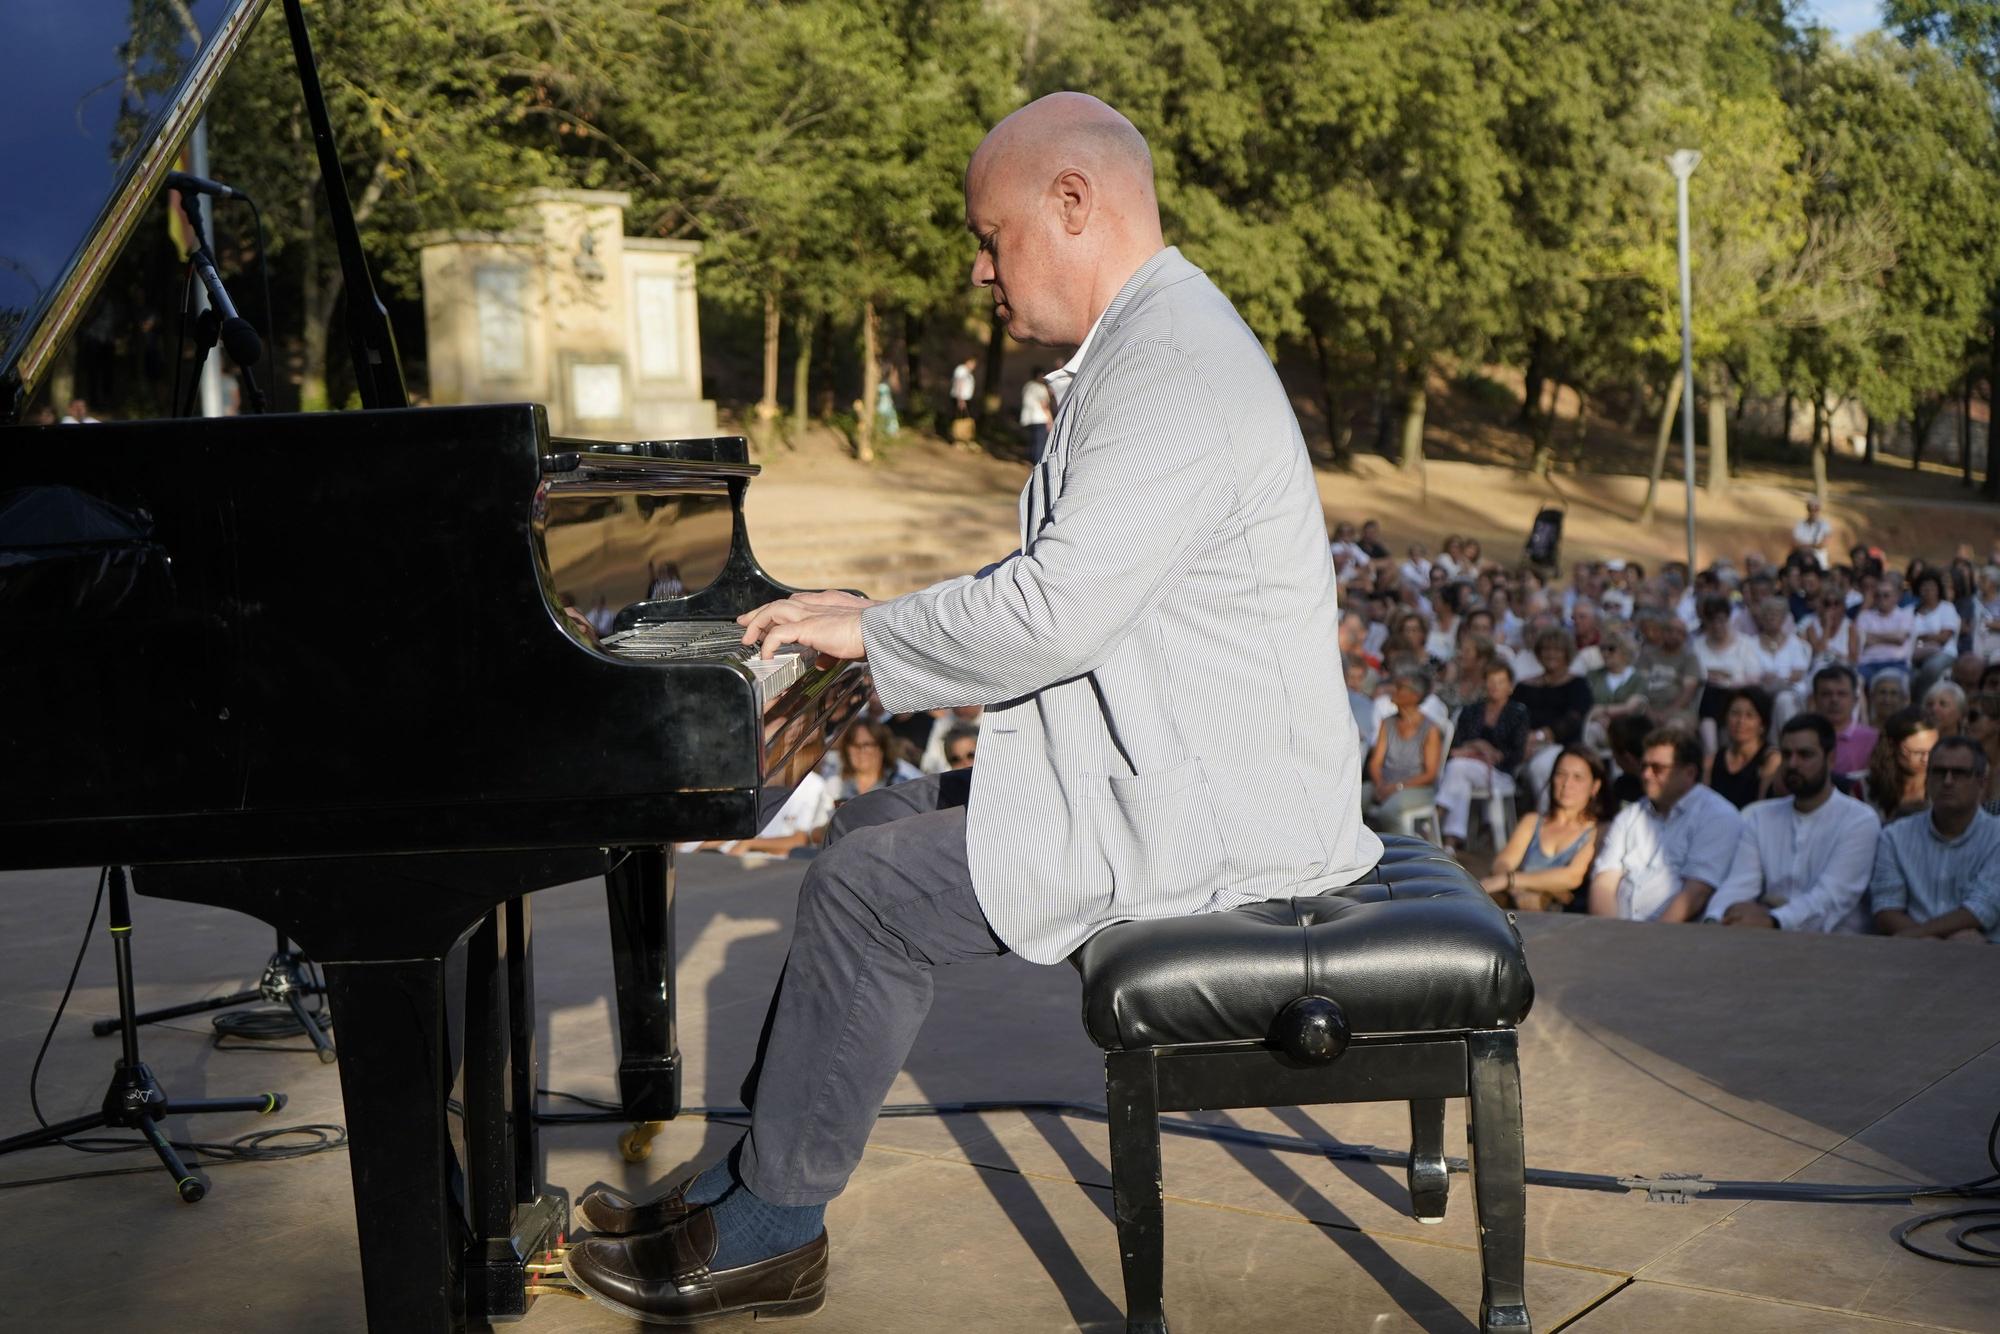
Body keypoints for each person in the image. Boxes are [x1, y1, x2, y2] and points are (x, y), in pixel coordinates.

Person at [559, 92, 1385, 1321]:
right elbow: (1073, 584)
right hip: (1175, 765)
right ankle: (750, 1172)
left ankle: (775, 1229)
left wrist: (873, 632)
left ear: (1071, 203)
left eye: (991, 237)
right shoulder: (1153, 340)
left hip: (1225, 816)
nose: (979, 268)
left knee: (870, 892)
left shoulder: (1168, 367)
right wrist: (873, 606)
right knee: (869, 826)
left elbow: (1053, 613)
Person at [1705, 713, 1880, 932]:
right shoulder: (1760, 817)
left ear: (1831, 759)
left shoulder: (1859, 820)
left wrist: (1772, 920)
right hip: (1766, 940)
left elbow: (1832, 898)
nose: (1793, 764)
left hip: (1837, 949)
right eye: (1786, 754)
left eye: (1805, 755)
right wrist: (1715, 920)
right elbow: (1739, 884)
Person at [1588, 727, 1743, 922]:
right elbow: (1603, 882)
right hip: (1617, 934)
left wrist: (1650, 942)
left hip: (1678, 941)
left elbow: (1696, 895)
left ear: (1689, 772)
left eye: (1657, 768)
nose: (1646, 775)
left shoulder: (1718, 816)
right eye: (1644, 766)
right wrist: (1609, 934)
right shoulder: (1630, 815)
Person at [1869, 737, 2000, 942]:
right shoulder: (1895, 836)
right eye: (1939, 772)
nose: (1947, 781)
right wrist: (1927, 944)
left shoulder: (1996, 836)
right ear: (1927, 778)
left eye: (1959, 773)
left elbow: (1982, 910)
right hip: (1910, 954)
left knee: (1967, 939)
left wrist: (1919, 937)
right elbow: (1886, 908)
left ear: (1981, 783)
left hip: (1980, 957)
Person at [1479, 747, 1607, 913]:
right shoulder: (1532, 822)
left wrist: (1509, 880)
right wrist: (1517, 891)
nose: (1567, 784)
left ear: (1595, 786)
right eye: (1561, 774)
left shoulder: (1596, 830)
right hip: (1519, 907)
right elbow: (1503, 863)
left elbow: (1573, 876)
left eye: (1578, 777)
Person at [1437, 661, 1529, 848]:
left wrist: (1493, 754)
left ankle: (1438, 812)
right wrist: (1479, 745)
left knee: (1457, 768)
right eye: (1491, 681)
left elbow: (1517, 753)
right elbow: (1457, 745)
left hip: (1500, 772)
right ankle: (1449, 844)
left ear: (1510, 686)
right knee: (1459, 777)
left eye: (1500, 682)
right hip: (1467, 767)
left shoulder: (1517, 713)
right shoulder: (1472, 710)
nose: (1494, 686)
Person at [1513, 627, 1592, 808]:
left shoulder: (1578, 685)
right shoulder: (1524, 686)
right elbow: (1512, 717)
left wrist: (1539, 737)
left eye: (1557, 650)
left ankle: (1548, 819)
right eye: (1546, 649)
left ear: (1567, 653)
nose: (1551, 654)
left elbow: (1573, 720)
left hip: (1560, 745)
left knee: (1541, 766)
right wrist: (1521, 740)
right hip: (1522, 744)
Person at [1365, 669, 1443, 828]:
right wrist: (1380, 784)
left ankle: (1402, 849)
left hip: (1416, 788)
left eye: (1400, 687)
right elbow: (1375, 762)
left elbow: (1430, 774)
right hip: (1385, 783)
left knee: (1389, 810)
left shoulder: (1430, 729)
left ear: (1415, 696)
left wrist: (1397, 787)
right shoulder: (1387, 723)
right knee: (1350, 801)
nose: (1393, 689)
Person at [1693, 595, 1761, 754]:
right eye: (1712, 621)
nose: (1717, 626)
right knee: (1710, 693)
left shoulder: (1744, 643)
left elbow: (1754, 675)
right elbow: (1698, 673)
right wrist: (1721, 675)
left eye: (1722, 620)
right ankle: (1711, 751)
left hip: (1739, 693)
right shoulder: (1698, 645)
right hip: (1708, 697)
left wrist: (1725, 678)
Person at [1703, 686, 1780, 809]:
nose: (1740, 721)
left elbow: (1762, 808)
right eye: (1735, 714)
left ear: (1762, 725)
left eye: (1750, 715)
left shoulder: (1771, 760)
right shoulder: (1712, 761)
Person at [1864, 708, 1936, 823]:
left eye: (1932, 751)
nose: (1926, 759)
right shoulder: (1864, 787)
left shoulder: (1943, 784)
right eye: (1917, 752)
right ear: (1893, 746)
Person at [1810, 663, 1876, 776]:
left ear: (1855, 700)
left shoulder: (1873, 740)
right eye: (1826, 694)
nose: (1834, 700)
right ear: (1815, 699)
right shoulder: (1803, 739)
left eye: (1842, 694)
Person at [1636, 614, 1701, 724]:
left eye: (1679, 632)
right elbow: (1639, 685)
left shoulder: (1690, 658)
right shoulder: (1647, 654)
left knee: (1675, 727)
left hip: (1678, 711)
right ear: (1662, 632)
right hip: (1646, 708)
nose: (1673, 635)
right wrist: (1648, 711)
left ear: (1684, 637)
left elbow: (1688, 692)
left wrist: (1667, 713)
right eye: (1669, 630)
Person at [1854, 575, 1915, 685]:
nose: (1881, 599)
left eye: (1886, 595)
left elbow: (1899, 639)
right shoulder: (1864, 616)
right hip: (1868, 664)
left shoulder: (1905, 615)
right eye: (1878, 595)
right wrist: (1889, 637)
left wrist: (1872, 637)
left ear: (1896, 597)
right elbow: (1861, 640)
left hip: (1896, 663)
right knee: (1854, 682)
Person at [1909, 569, 1961, 690]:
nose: (1927, 590)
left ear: (1938, 589)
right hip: (1914, 653)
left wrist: (1920, 638)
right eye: (1923, 586)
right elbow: (1906, 636)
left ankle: (1921, 704)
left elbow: (1944, 637)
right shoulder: (1911, 610)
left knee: (1930, 669)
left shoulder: (1947, 608)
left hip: (1944, 652)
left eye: (1931, 586)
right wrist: (1930, 637)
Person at [1018, 366, 1052, 462]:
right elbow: (1044, 405)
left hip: (1028, 417)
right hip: (1039, 418)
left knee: (1032, 440)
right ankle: (1037, 461)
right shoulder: (1040, 388)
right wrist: (1050, 419)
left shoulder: (1027, 386)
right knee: (1040, 442)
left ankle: (1030, 458)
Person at [1792, 495, 1830, 568]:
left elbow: (1823, 544)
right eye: (1810, 508)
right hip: (1801, 559)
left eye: (1816, 508)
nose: (1813, 511)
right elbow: (1794, 544)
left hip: (1819, 560)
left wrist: (1805, 545)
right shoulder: (1800, 524)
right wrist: (1813, 545)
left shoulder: (1824, 525)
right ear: (1807, 509)